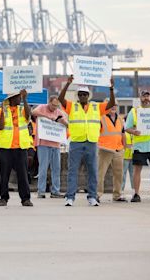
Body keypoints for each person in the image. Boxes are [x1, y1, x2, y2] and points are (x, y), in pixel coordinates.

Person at [59, 75, 115, 206]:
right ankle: (70, 197)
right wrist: (67, 84)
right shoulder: (72, 106)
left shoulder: (96, 107)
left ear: (88, 96)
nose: (83, 96)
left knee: (93, 171)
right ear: (78, 96)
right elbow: (61, 99)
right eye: (81, 94)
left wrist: (111, 89)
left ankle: (92, 197)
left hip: (91, 143)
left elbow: (111, 104)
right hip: (76, 142)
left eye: (85, 94)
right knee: (73, 170)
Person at [0, 90, 34, 207]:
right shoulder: (2, 110)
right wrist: (2, 110)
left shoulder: (22, 109)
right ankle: (3, 198)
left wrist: (25, 99)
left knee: (23, 175)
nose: (19, 99)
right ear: (11, 99)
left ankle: (25, 199)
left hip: (20, 147)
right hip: (6, 148)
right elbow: (0, 126)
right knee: (4, 175)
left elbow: (28, 116)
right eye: (18, 97)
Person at [31, 95, 68, 199]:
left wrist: (62, 121)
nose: (54, 108)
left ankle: (55, 191)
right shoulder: (42, 107)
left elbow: (67, 124)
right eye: (53, 105)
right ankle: (41, 191)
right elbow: (33, 112)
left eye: (56, 106)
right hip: (43, 143)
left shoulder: (59, 112)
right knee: (43, 168)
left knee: (56, 168)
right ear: (49, 102)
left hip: (55, 143)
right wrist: (48, 117)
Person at [125, 90, 150, 202]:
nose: (146, 98)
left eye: (148, 96)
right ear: (140, 98)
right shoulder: (134, 111)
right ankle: (136, 194)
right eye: (144, 96)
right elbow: (127, 127)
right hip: (139, 146)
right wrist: (134, 132)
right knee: (137, 170)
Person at [97, 105, 127, 202]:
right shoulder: (101, 118)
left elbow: (123, 134)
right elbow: (96, 133)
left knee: (119, 174)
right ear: (107, 107)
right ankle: (97, 194)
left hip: (118, 149)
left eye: (115, 106)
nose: (113, 107)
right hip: (104, 150)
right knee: (101, 173)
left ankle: (117, 195)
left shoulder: (120, 119)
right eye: (111, 106)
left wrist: (124, 147)